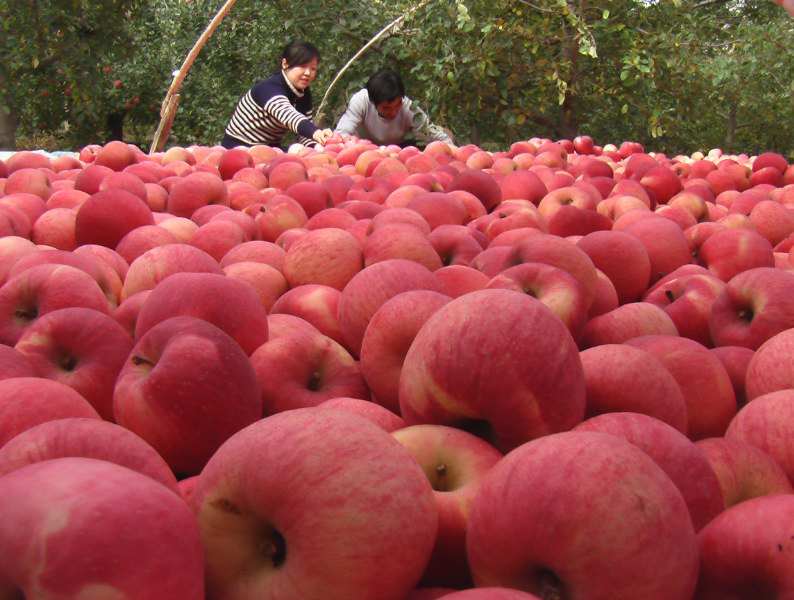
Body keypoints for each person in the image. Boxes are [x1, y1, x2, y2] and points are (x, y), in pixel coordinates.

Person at [222, 40, 333, 150]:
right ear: (285, 64)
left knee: (300, 152)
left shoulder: (303, 93)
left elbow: (304, 136)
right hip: (239, 148)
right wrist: (316, 132)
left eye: (313, 68)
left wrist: (320, 147)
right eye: (302, 66)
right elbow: (289, 116)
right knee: (296, 152)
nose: (308, 73)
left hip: (269, 149)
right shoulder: (268, 89)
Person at [334, 70, 453, 147]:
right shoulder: (361, 101)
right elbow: (341, 133)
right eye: (387, 108)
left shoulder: (409, 109)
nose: (394, 112)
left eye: (397, 106)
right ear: (373, 102)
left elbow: (434, 135)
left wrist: (455, 154)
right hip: (361, 151)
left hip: (395, 154)